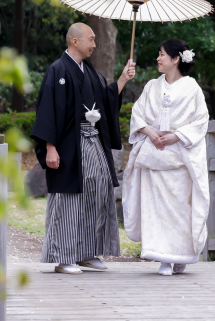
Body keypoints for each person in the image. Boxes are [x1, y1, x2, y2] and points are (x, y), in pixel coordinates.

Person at [31, 23, 136, 274]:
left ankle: (87, 252)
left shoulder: (90, 71)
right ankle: (64, 256)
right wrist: (50, 148)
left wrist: (122, 78)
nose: (95, 44)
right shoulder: (57, 70)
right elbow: (47, 111)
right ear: (75, 41)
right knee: (68, 200)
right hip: (68, 146)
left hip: (93, 143)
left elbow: (106, 99)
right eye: (91, 39)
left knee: (97, 194)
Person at [122, 39, 210, 276]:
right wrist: (150, 132)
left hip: (179, 157)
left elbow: (201, 121)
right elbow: (138, 114)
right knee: (157, 209)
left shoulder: (192, 89)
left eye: (162, 54)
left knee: (181, 209)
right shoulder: (152, 85)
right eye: (158, 54)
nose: (158, 59)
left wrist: (176, 136)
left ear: (176, 59)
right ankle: (163, 259)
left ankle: (181, 255)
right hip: (154, 155)